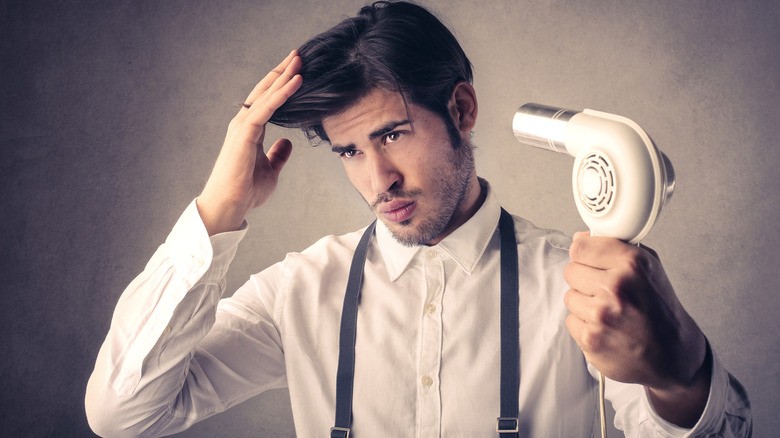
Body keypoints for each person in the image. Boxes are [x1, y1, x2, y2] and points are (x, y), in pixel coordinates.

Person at [85, 1, 751, 437]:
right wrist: (217, 211)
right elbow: (123, 412)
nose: (378, 180)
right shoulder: (302, 292)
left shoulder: (579, 289)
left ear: (462, 110)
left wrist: (680, 373)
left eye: (394, 134)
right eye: (349, 150)